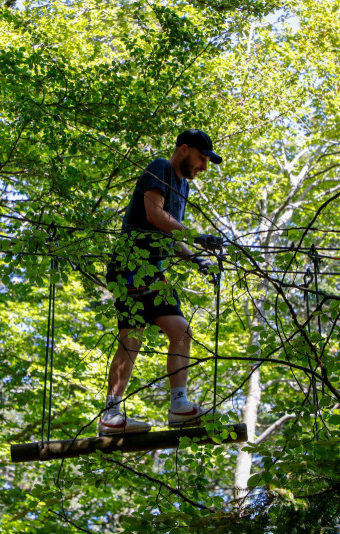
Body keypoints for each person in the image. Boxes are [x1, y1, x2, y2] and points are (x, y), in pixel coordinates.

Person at [99, 129, 224, 435]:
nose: (203, 167)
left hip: (151, 270)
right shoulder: (160, 168)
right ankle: (110, 415)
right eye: (202, 158)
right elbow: (154, 215)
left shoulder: (183, 187)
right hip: (131, 265)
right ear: (184, 149)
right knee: (132, 337)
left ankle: (178, 406)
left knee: (180, 332)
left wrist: (195, 259)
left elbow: (168, 233)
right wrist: (195, 236)